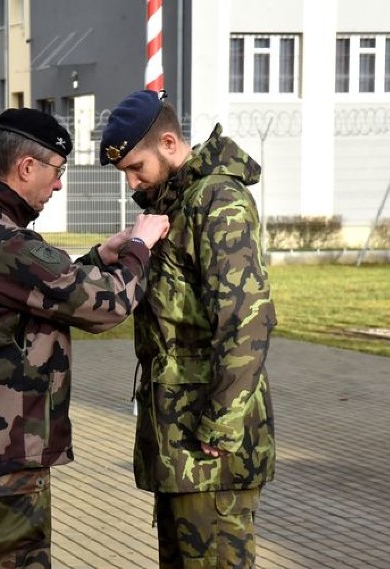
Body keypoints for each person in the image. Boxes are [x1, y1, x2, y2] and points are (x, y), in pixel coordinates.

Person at [0, 107, 169, 568]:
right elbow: (105, 307)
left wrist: (98, 255)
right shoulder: (5, 241)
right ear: (26, 167)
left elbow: (33, 292)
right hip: (8, 455)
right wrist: (140, 246)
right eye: (56, 173)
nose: (58, 185)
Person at [99, 90, 277, 569]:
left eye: (137, 167)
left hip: (209, 442)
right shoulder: (174, 205)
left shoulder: (217, 201)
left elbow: (246, 320)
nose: (132, 181)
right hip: (177, 437)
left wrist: (220, 422)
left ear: (170, 143)